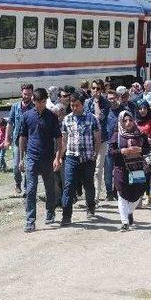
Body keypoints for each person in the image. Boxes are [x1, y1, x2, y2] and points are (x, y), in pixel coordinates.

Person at [18, 88, 63, 232]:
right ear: (33, 101)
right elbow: (22, 137)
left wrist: (57, 157)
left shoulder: (52, 116)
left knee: (50, 188)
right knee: (31, 189)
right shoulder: (27, 116)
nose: (41, 105)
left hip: (48, 158)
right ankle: (30, 220)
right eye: (38, 102)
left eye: (43, 102)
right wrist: (21, 158)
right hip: (31, 157)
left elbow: (58, 138)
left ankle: (50, 212)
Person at [59, 89, 101, 226]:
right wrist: (60, 156)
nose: (74, 108)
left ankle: (90, 206)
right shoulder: (67, 119)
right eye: (72, 105)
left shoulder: (92, 118)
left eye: (77, 105)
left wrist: (95, 154)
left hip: (88, 158)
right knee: (69, 185)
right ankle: (66, 216)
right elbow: (64, 140)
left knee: (88, 185)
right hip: (71, 157)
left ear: (83, 104)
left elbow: (97, 138)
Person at [109, 111, 150, 231]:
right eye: (125, 120)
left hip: (137, 168)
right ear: (121, 121)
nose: (128, 123)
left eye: (130, 120)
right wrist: (122, 151)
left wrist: (140, 150)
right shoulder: (117, 135)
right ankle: (124, 222)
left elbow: (147, 149)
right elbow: (111, 152)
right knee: (122, 194)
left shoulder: (140, 134)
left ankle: (129, 212)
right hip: (121, 168)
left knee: (137, 194)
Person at [5, 84, 35, 194]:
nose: (26, 96)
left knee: (29, 166)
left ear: (32, 94)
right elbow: (10, 123)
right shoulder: (15, 107)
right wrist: (7, 139)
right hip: (17, 140)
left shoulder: (34, 107)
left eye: (29, 94)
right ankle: (18, 183)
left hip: (30, 141)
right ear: (21, 93)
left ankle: (27, 188)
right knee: (16, 165)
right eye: (25, 94)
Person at [84, 79, 111, 201]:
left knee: (98, 169)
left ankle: (96, 197)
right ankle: (89, 194)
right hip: (88, 140)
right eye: (93, 88)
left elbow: (100, 117)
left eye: (98, 88)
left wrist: (96, 103)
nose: (95, 91)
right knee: (88, 168)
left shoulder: (105, 103)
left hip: (102, 139)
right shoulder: (85, 102)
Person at [104, 90, 126, 200]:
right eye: (109, 99)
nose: (111, 100)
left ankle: (117, 191)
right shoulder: (106, 110)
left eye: (113, 98)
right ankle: (109, 192)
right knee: (108, 171)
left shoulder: (123, 110)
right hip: (108, 143)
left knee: (119, 169)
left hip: (121, 143)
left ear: (117, 97)